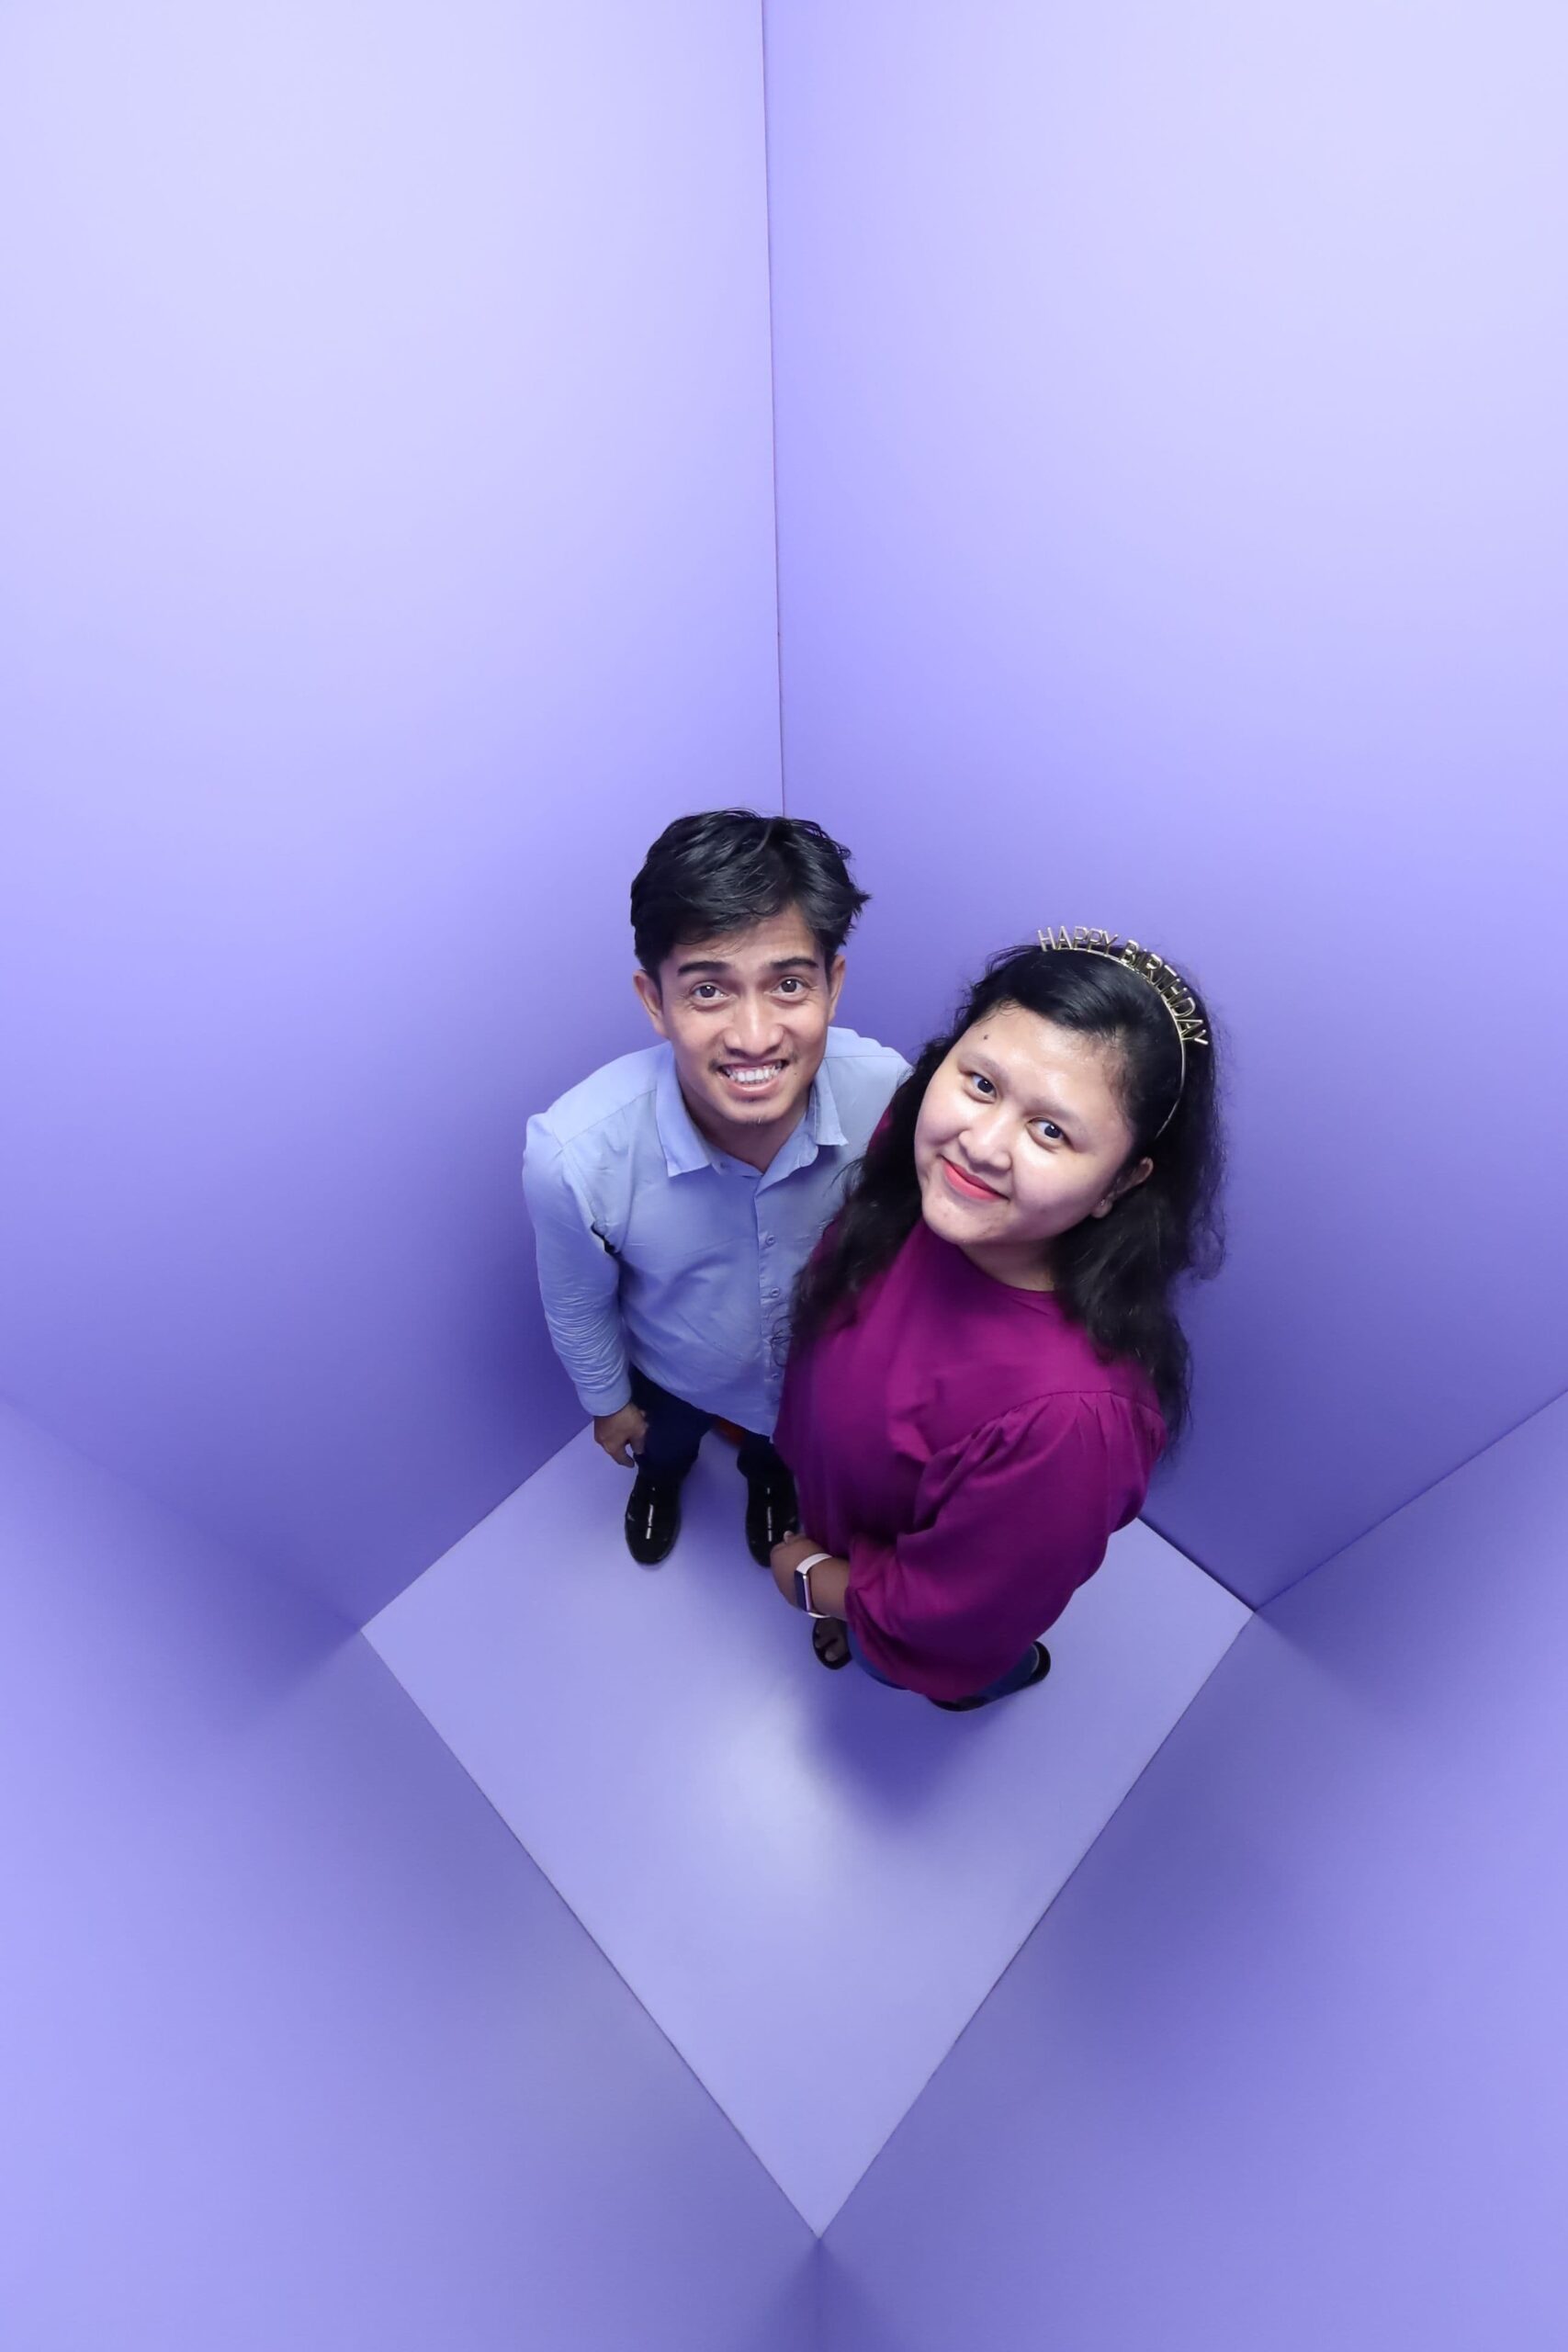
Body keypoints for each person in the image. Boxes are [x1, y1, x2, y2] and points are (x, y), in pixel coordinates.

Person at [768, 928, 1224, 1709]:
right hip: (837, 1512)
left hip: (889, 1601)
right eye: (980, 1083)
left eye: (1050, 1131)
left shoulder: (1072, 1424)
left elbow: (954, 1613)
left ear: (1120, 1183)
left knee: (906, 1664)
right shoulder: (922, 1163)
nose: (979, 1146)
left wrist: (814, 1581)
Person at [523, 809, 908, 1567]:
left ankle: (770, 1487)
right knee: (662, 1446)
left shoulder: (890, 1096)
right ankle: (659, 1482)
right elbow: (576, 1300)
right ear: (654, 1001)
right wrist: (608, 1405)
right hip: (671, 1373)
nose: (754, 1036)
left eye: (788, 984)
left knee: (778, 1454)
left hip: (814, 1379)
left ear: (832, 986)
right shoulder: (573, 1156)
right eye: (708, 991)